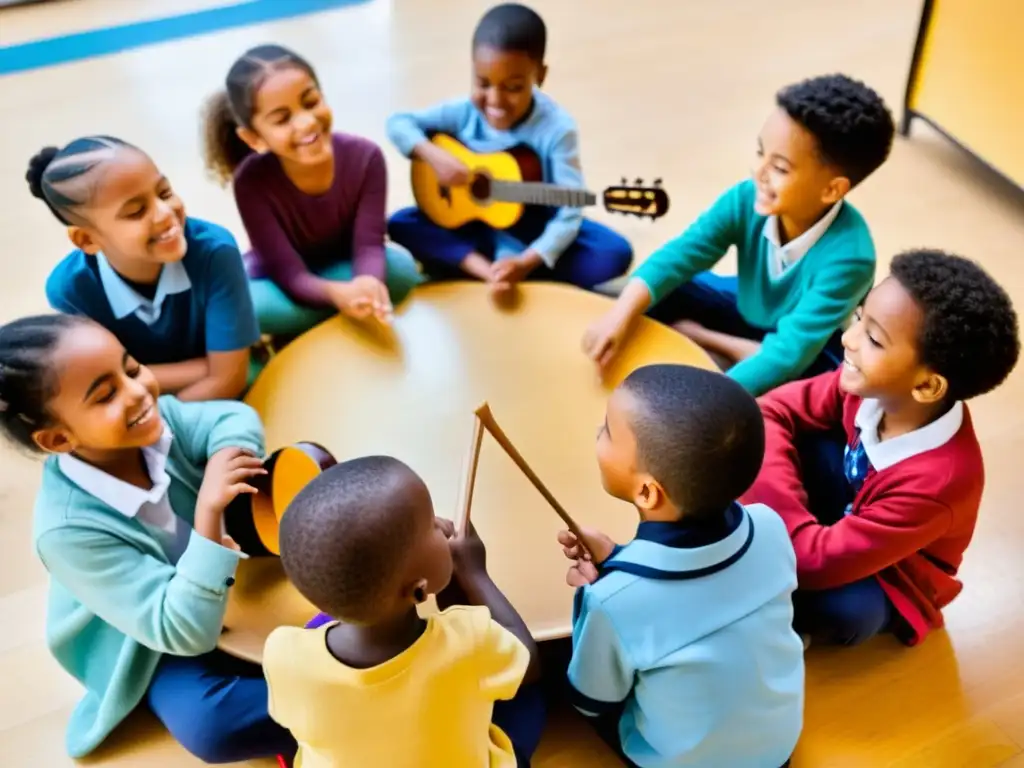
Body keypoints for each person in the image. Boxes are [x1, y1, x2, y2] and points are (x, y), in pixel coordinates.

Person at [0, 314, 296, 764]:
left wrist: (224, 459)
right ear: (59, 438)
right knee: (209, 725)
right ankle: (336, 696)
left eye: (132, 368)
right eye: (106, 394)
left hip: (238, 589)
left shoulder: (160, 423)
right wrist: (208, 515)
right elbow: (180, 631)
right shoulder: (66, 533)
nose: (138, 391)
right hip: (151, 645)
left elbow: (233, 417)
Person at [744, 249, 1020, 647]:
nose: (848, 340)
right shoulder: (870, 387)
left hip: (894, 570)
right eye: (860, 318)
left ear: (926, 386)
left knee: (847, 612)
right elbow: (771, 412)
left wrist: (766, 508)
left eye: (873, 339)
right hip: (848, 509)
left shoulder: (939, 483)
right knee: (764, 442)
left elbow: (812, 563)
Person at [582, 74, 896, 396]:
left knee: (815, 389)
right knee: (659, 289)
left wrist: (709, 402)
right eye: (761, 153)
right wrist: (617, 317)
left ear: (832, 189)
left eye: (780, 168)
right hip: (746, 309)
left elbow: (788, 355)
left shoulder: (851, 258)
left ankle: (711, 340)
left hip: (809, 347)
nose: (758, 172)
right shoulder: (745, 197)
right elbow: (682, 254)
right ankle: (726, 343)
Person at [557, 364, 804, 767]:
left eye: (607, 430)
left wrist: (598, 593)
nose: (596, 434)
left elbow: (592, 698)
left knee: (561, 684)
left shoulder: (612, 601)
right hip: (778, 751)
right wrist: (619, 563)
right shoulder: (770, 525)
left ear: (647, 492)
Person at [263, 456, 546, 767]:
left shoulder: (282, 653)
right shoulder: (470, 641)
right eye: (431, 526)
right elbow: (527, 659)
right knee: (530, 699)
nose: (441, 523)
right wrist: (476, 573)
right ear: (420, 590)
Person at [385, 3, 632, 296]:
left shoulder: (557, 128)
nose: (495, 100)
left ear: (539, 75)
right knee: (401, 223)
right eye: (482, 83)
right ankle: (482, 268)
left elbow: (570, 209)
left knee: (614, 252)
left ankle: (499, 267)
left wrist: (528, 260)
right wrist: (432, 154)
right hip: (468, 224)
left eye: (513, 87)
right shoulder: (464, 112)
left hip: (529, 230)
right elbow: (398, 122)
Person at [202, 44, 422, 340]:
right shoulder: (250, 182)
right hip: (285, 282)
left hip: (345, 265)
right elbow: (289, 274)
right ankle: (337, 309)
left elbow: (369, 245)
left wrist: (367, 283)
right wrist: (338, 295)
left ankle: (318, 317)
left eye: (311, 102)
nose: (306, 122)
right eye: (282, 119)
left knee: (402, 270)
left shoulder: (367, 157)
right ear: (253, 137)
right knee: (248, 306)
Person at [32, 137, 260, 401]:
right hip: (146, 400)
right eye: (136, 212)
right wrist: (211, 366)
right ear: (88, 240)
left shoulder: (215, 251)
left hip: (170, 400)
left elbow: (229, 379)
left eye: (164, 193)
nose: (165, 213)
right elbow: (106, 386)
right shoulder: (69, 290)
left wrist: (156, 413)